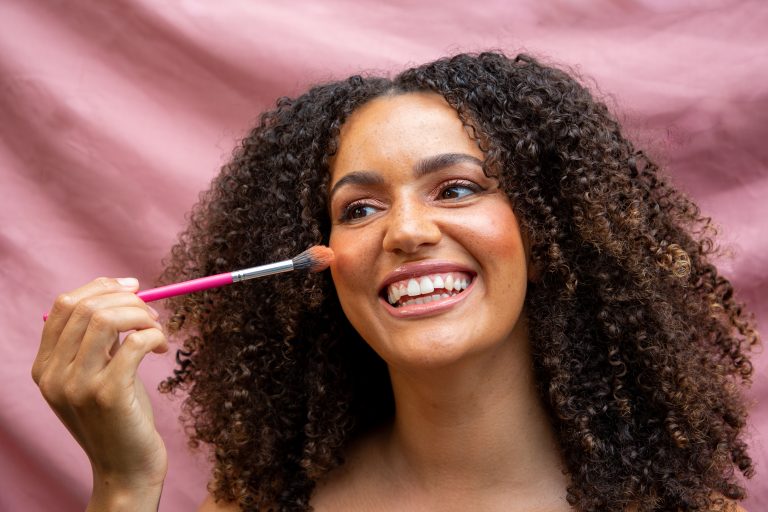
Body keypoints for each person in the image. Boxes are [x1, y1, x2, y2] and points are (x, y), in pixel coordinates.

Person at [32, 52, 758, 511]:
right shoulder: (262, 502)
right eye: (360, 208)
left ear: (553, 230)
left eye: (456, 190)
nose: (405, 232)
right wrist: (125, 485)